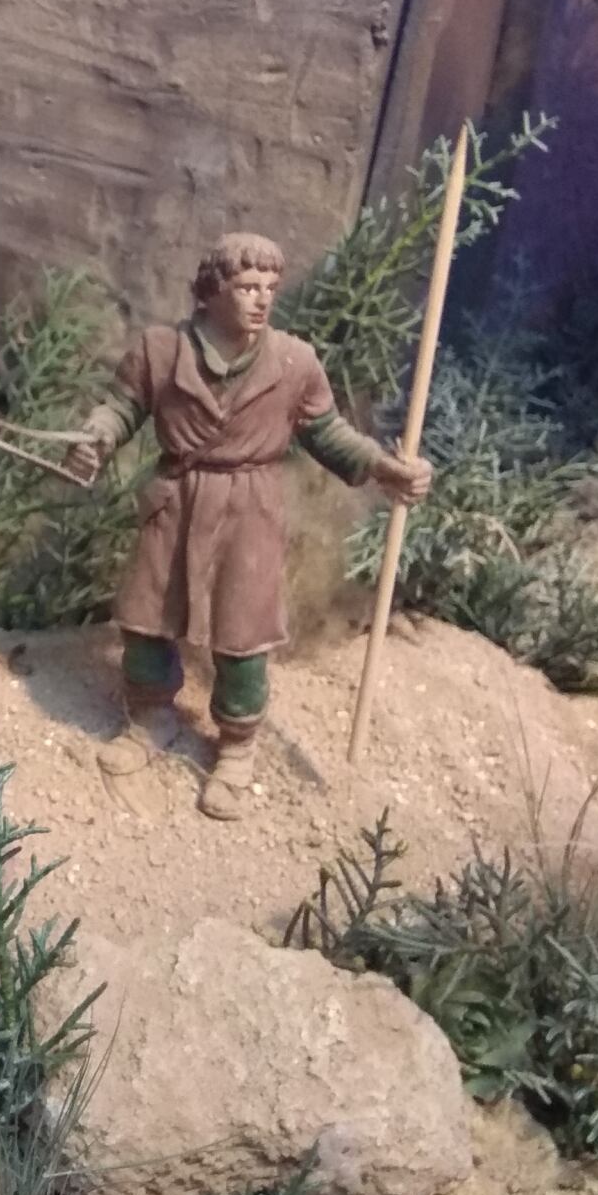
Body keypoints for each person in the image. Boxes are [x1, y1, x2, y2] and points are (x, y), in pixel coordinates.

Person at [66, 233, 433, 819]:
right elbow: (122, 407)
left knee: (243, 634)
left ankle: (237, 745)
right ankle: (152, 715)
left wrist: (381, 467)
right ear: (213, 290)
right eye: (246, 287)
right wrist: (96, 437)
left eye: (269, 288)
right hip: (177, 500)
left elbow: (327, 432)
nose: (261, 299)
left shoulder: (293, 362)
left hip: (249, 510)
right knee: (148, 617)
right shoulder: (160, 351)